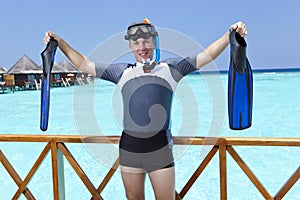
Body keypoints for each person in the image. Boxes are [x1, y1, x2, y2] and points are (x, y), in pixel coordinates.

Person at [43, 18, 247, 200]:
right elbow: (84, 64)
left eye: (146, 41)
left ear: (154, 42)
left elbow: (206, 56)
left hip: (160, 147)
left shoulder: (171, 69)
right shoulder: (120, 71)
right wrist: (60, 42)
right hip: (129, 147)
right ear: (130, 46)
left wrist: (229, 34)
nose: (142, 47)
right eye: (136, 42)